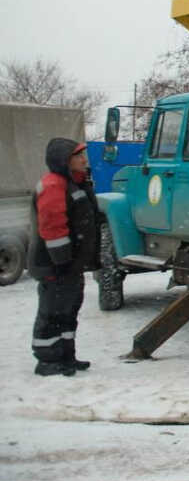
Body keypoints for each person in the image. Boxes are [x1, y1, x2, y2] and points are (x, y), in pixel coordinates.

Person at [29, 138, 101, 376]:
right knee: (52, 312)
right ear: (64, 161)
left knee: (68, 310)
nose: (84, 159)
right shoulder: (53, 185)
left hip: (70, 265)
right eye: (78, 156)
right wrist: (61, 262)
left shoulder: (75, 183)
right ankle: (47, 361)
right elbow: (52, 227)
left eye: (83, 155)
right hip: (55, 266)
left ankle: (66, 356)